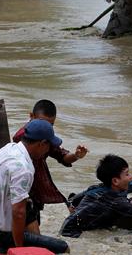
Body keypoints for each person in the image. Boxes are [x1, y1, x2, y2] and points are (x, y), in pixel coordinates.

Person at [0, 119, 69, 254]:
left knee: (27, 204)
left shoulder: (9, 148)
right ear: (42, 144)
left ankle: (35, 243)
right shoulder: (23, 169)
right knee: (62, 247)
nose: (48, 150)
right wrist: (20, 251)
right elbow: (18, 213)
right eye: (49, 146)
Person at [12, 99, 88, 233]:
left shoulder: (46, 136)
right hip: (24, 189)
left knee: (32, 226)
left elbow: (62, 156)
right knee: (27, 228)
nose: (46, 128)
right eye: (42, 123)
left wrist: (76, 155)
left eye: (50, 124)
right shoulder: (23, 137)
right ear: (31, 117)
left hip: (36, 191)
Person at [60, 155, 132, 238]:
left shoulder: (102, 187)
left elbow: (73, 200)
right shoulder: (113, 199)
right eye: (127, 174)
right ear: (115, 181)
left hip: (72, 222)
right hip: (71, 232)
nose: (131, 177)